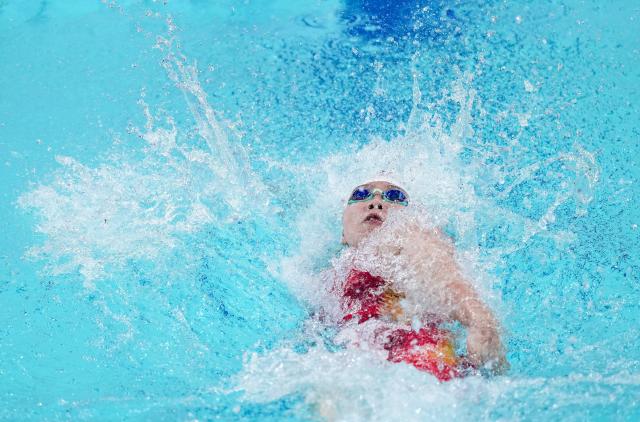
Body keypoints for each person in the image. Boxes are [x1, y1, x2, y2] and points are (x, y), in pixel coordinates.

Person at [327, 178, 508, 380]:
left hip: (419, 366)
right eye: (360, 194)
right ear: (342, 233)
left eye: (395, 196)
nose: (376, 201)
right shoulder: (329, 275)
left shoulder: (402, 235)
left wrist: (477, 317)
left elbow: (429, 259)